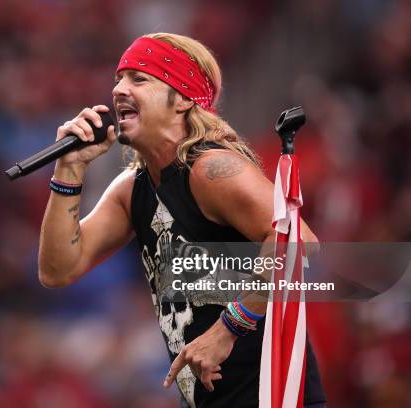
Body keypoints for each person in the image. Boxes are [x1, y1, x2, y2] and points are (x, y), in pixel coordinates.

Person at [38, 33, 326, 407]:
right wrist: (70, 169)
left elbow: (298, 241)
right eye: (118, 80)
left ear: (184, 98)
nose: (120, 90)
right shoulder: (131, 189)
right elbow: (58, 270)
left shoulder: (212, 169)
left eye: (139, 79)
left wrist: (229, 325)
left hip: (272, 395)